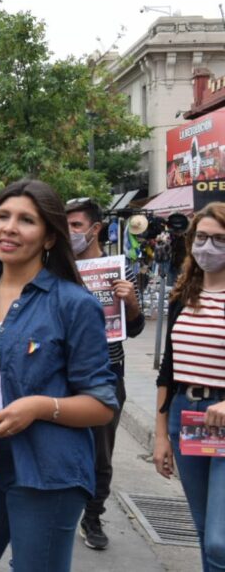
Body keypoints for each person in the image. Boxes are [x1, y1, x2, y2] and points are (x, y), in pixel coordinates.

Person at [0, 179, 119, 572]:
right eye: (3, 216)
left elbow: (102, 404)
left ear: (50, 237)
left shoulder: (74, 304)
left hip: (47, 474)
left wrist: (36, 407)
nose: (10, 227)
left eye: (26, 220)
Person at [65, 196, 145, 551]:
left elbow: (136, 329)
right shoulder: (55, 268)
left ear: (95, 229)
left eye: (76, 226)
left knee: (101, 451)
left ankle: (92, 516)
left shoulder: (121, 270)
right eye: (65, 225)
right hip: (62, 371)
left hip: (107, 372)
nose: (70, 232)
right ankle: (58, 509)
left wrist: (130, 302)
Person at [154, 202, 225, 571]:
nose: (207, 247)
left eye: (218, 239)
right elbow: (168, 369)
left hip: (223, 416)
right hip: (186, 415)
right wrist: (161, 433)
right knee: (203, 531)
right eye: (201, 237)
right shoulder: (184, 295)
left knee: (220, 539)